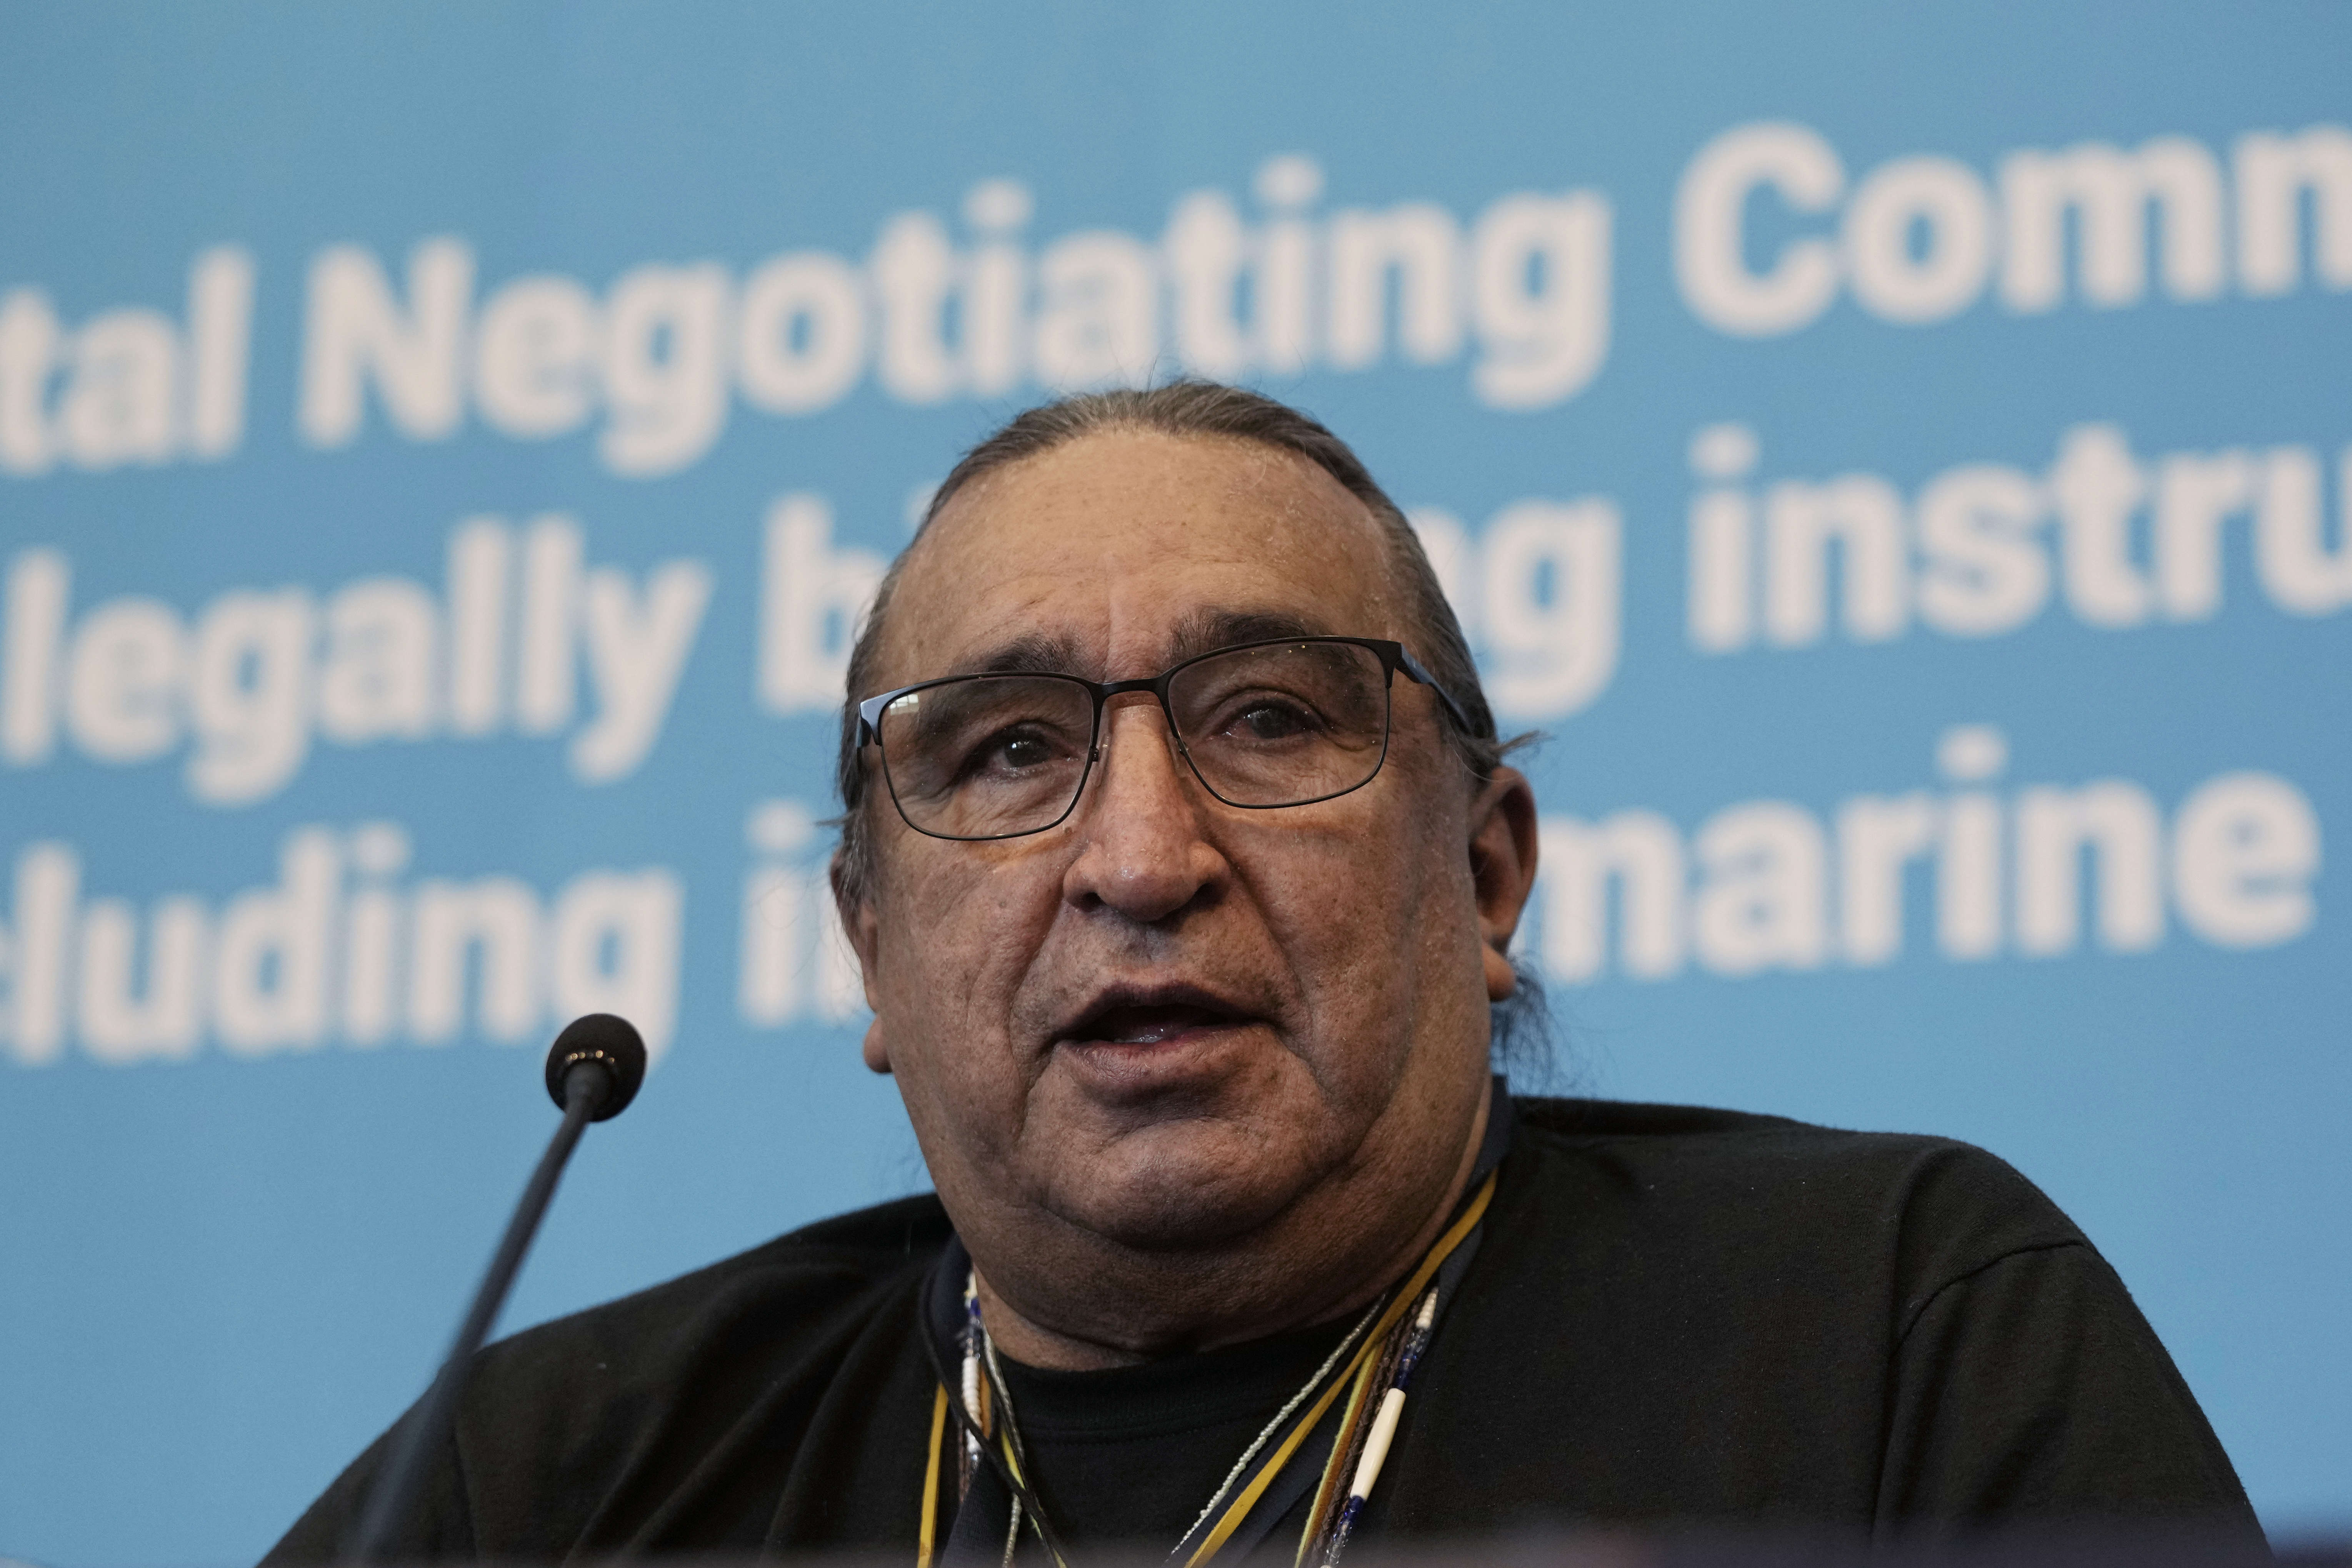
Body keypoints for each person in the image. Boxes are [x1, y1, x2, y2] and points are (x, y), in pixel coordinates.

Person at [267, 382, 2257, 1563]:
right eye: (1012, 751)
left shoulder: (1889, 1324)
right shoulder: (541, 1493)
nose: (1139, 858)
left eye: (1272, 719)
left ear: (1483, 879)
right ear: (868, 952)